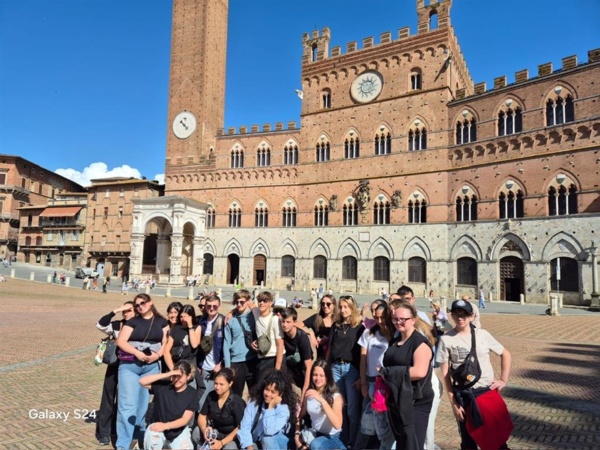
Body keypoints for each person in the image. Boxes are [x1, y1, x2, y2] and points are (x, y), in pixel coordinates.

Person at [436, 299, 513, 450]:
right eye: (457, 313)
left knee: (496, 441)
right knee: (468, 442)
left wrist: (503, 379)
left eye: (464, 314)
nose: (460, 318)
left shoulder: (482, 335)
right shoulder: (446, 339)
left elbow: (505, 354)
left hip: (485, 393)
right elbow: (445, 373)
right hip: (463, 396)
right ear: (452, 315)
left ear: (472, 316)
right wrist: (454, 404)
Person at [115, 294, 169, 450]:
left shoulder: (161, 322)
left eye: (143, 303)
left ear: (150, 303)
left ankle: (137, 439)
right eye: (137, 305)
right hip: (130, 366)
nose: (140, 306)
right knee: (127, 406)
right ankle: (123, 445)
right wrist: (137, 353)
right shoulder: (133, 321)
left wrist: (157, 355)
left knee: (142, 407)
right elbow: (121, 341)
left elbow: (165, 342)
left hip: (151, 367)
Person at [381, 302, 435, 450]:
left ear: (413, 319)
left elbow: (419, 371)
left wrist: (387, 373)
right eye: (395, 319)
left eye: (402, 319)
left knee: (413, 444)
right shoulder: (395, 340)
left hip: (415, 401)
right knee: (402, 442)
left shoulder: (420, 343)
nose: (398, 322)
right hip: (398, 399)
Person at [355, 300, 395, 450]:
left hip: (387, 384)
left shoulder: (395, 336)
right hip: (371, 382)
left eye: (383, 317)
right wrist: (364, 382)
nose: (379, 321)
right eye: (377, 317)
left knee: (385, 423)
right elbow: (363, 359)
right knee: (366, 422)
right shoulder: (369, 333)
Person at [95, 301, 136, 446]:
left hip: (131, 367)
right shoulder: (117, 325)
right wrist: (116, 310)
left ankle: (117, 429)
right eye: (124, 311)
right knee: (108, 398)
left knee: (124, 400)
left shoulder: (139, 326)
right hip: (114, 365)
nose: (126, 313)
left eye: (129, 310)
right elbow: (100, 325)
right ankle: (103, 433)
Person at [326, 295, 364, 448]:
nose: (343, 310)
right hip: (335, 368)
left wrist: (362, 376)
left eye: (346, 307)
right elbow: (330, 347)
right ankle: (343, 438)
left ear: (352, 308)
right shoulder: (336, 326)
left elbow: (363, 353)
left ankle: (353, 442)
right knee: (339, 406)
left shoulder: (359, 327)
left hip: (351, 370)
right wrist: (327, 367)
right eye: (341, 307)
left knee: (352, 409)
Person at [139, 360, 197, 450]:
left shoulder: (192, 393)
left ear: (188, 376)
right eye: (174, 376)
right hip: (158, 426)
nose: (176, 379)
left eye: (180, 376)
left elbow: (185, 419)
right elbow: (142, 381)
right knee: (153, 439)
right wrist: (167, 374)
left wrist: (166, 426)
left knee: (187, 447)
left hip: (178, 430)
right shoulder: (163, 386)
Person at [238, 370, 298, 450]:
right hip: (257, 442)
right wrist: (249, 447)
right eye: (267, 389)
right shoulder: (254, 403)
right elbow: (245, 427)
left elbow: (269, 431)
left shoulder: (283, 409)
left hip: (277, 444)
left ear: (280, 394)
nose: (268, 394)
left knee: (267, 439)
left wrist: (270, 408)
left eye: (273, 392)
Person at [295, 360, 345, 450]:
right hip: (315, 434)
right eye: (315, 375)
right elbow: (300, 415)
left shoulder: (336, 397)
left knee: (315, 445)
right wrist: (296, 434)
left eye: (321, 375)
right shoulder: (309, 394)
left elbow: (338, 424)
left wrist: (321, 400)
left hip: (332, 437)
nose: (318, 378)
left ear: (327, 377)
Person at [196, 368, 246, 449]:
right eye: (215, 383)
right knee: (196, 432)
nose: (217, 387)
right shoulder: (211, 395)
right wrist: (204, 429)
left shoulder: (237, 402)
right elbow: (202, 416)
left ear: (230, 384)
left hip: (230, 437)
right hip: (215, 432)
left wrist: (222, 443)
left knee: (229, 448)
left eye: (221, 384)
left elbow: (240, 427)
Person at [223, 289, 259, 397]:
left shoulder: (254, 316)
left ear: (248, 301)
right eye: (236, 302)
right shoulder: (231, 320)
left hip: (252, 360)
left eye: (242, 302)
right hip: (236, 362)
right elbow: (226, 343)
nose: (239, 305)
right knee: (235, 396)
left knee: (255, 395)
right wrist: (227, 366)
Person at [197, 294, 225, 410]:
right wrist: (198, 364)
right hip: (204, 365)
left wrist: (221, 363)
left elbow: (227, 345)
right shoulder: (200, 321)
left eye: (214, 306)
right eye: (209, 306)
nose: (212, 308)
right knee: (203, 397)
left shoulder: (223, 321)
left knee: (217, 396)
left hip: (217, 366)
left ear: (219, 306)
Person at [280, 307, 314, 399]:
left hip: (302, 368)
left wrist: (305, 390)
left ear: (295, 323)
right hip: (289, 368)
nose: (284, 325)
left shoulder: (302, 337)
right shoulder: (281, 332)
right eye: (283, 321)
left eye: (288, 322)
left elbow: (308, 366)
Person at [252, 291, 284, 376]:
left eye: (265, 301)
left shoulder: (275, 319)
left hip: (274, 357)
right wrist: (231, 312)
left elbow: (280, 344)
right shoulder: (256, 312)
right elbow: (248, 303)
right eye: (259, 300)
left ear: (271, 303)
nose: (261, 303)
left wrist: (277, 369)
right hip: (262, 358)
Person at [304, 294, 336, 360]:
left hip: (335, 361)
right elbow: (296, 324)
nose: (325, 306)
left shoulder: (338, 320)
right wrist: (311, 333)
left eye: (328, 304)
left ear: (334, 305)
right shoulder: (316, 318)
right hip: (320, 359)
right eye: (323, 304)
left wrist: (327, 340)